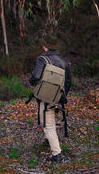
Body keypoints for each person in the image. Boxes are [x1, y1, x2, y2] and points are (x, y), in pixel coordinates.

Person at [29, 34, 71, 163]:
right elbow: (68, 82)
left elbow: (35, 77)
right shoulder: (64, 61)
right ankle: (48, 141)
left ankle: (56, 154)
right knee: (49, 120)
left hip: (45, 97)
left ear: (45, 47)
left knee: (48, 125)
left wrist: (32, 82)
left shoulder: (42, 59)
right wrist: (61, 96)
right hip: (58, 96)